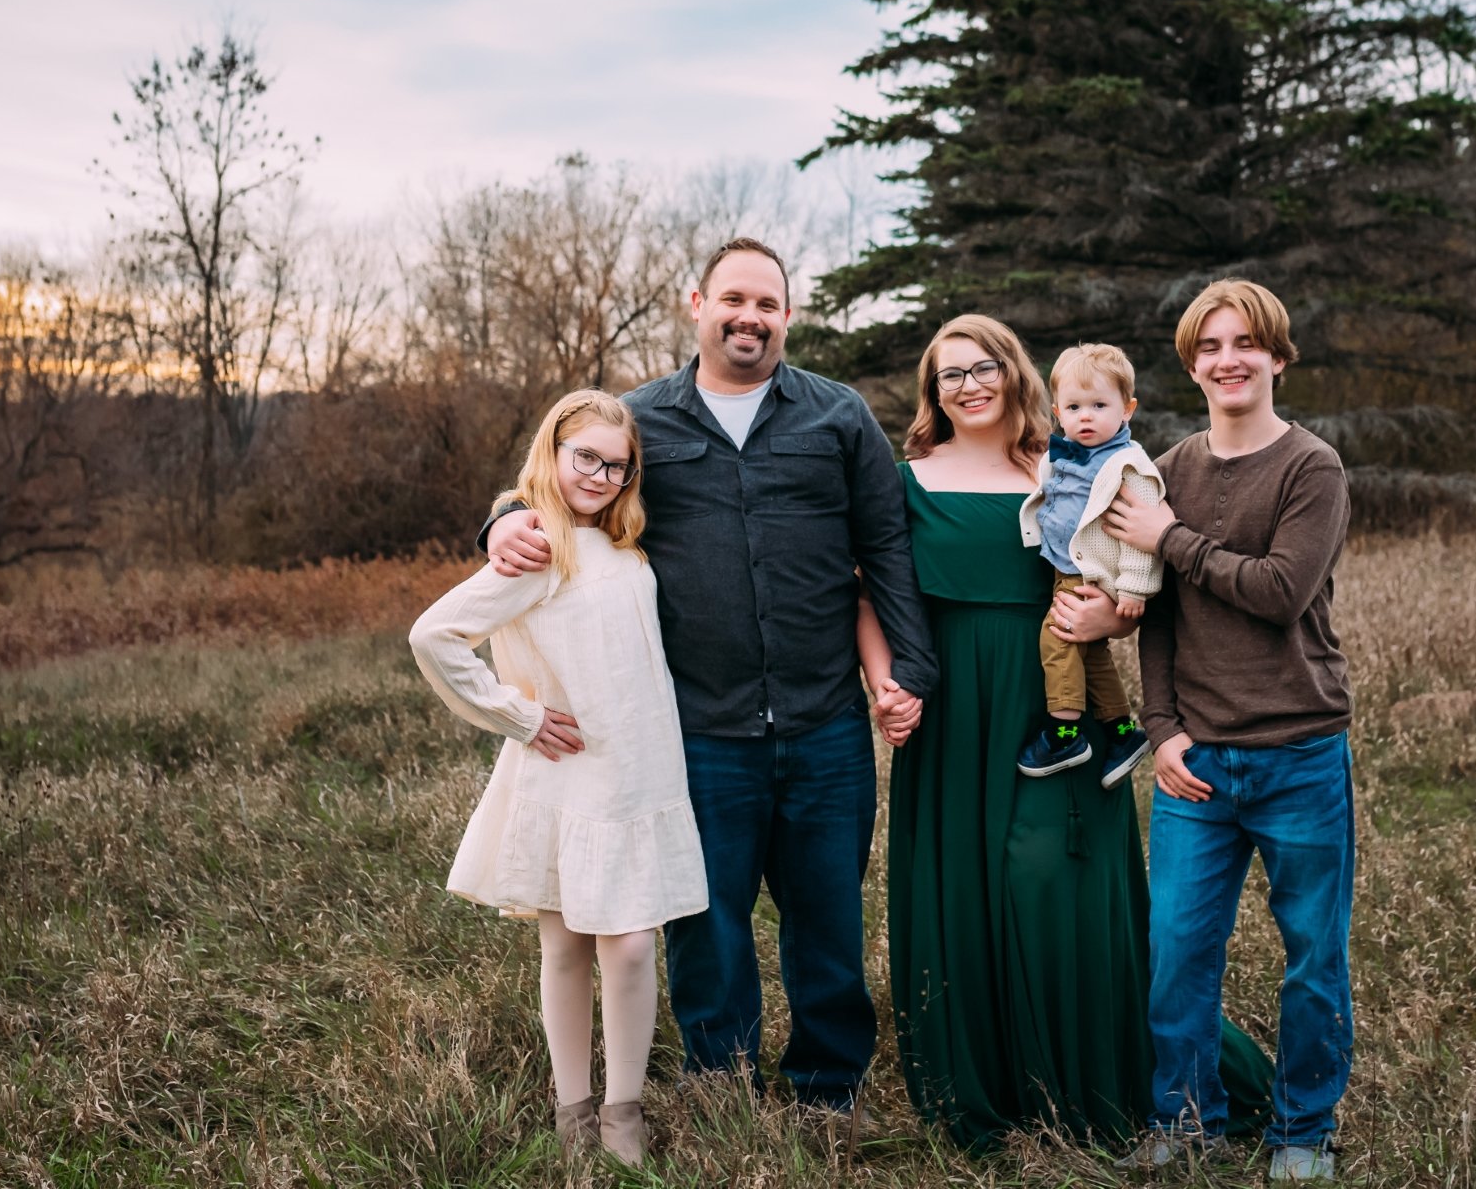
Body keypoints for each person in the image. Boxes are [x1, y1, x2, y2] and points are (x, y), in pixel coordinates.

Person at [481, 237, 936, 1130]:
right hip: (696, 727)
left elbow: (884, 547)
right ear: (696, 304)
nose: (749, 317)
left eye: (767, 304)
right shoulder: (643, 419)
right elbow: (558, 478)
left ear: (786, 316)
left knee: (826, 920)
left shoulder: (837, 417)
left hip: (824, 723)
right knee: (705, 920)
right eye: (733, 299)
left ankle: (825, 1090)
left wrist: (908, 672)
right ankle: (719, 1083)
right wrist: (499, 523)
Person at [869, 315, 1272, 1149]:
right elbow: (867, 593)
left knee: (1062, 887)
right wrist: (884, 682)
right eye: (949, 375)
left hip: (1059, 709)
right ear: (931, 393)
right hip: (951, 714)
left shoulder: (1073, 467)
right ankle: (990, 1087)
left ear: (1017, 376)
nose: (969, 385)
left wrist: (1108, 623)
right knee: (963, 891)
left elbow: (1137, 583)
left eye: (984, 367)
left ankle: (1100, 1082)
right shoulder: (904, 478)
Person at [409, 389, 708, 1167]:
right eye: (587, 459)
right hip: (567, 772)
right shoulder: (538, 547)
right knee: (567, 946)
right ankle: (575, 1110)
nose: (602, 476)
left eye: (618, 465)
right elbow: (434, 635)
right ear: (553, 453)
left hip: (638, 772)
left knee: (633, 945)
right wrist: (518, 715)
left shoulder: (623, 543)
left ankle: (623, 1113)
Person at [1102, 279, 1355, 1183]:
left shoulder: (1311, 468)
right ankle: (1183, 1122)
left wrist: (1169, 535)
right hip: (1196, 765)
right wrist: (1162, 731)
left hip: (1298, 753)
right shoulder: (1165, 468)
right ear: (1192, 364)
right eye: (1208, 347)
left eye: (1245, 342)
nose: (1226, 359)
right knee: (1174, 950)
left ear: (1276, 357)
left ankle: (1303, 1130)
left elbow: (1279, 592)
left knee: (1313, 957)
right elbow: (1157, 618)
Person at [1014, 342, 1159, 787]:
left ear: (1127, 409)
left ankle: (1066, 734)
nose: (1087, 417)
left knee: (1056, 639)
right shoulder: (1061, 455)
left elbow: (1143, 531)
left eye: (1100, 405)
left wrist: (1134, 586)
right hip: (1067, 565)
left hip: (1091, 571)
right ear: (1057, 412)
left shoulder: (1126, 465)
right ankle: (1121, 732)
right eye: (1075, 407)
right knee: (1091, 653)